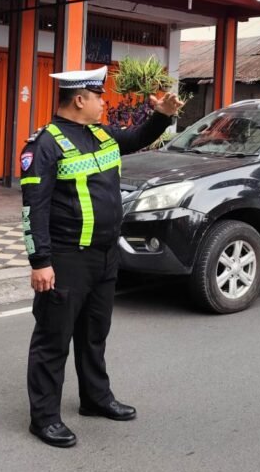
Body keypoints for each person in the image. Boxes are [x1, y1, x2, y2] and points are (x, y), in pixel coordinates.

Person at [20, 66, 184, 448]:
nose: (104, 102)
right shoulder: (45, 144)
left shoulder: (100, 134)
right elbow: (34, 208)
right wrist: (40, 261)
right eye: (99, 97)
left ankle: (95, 398)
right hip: (66, 258)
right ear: (80, 99)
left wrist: (163, 115)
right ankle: (43, 418)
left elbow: (137, 138)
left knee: (94, 334)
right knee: (52, 339)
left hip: (106, 255)